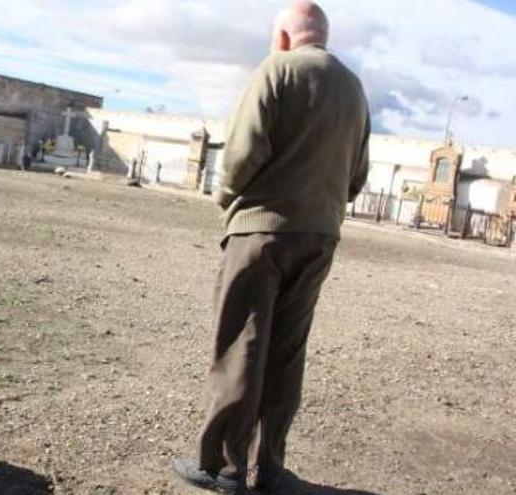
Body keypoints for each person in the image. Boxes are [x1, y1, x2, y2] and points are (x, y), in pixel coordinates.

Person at [172, 2, 370, 493]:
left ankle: (223, 467)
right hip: (320, 235)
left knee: (242, 345)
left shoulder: (276, 70)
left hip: (261, 232)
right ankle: (269, 468)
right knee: (287, 351)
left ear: (284, 35)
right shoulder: (355, 88)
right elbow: (357, 175)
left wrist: (224, 198)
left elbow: (241, 154)